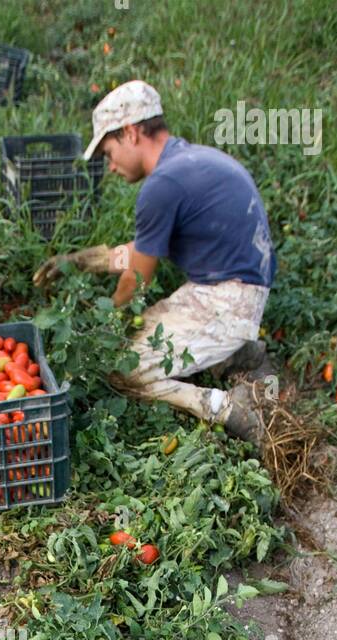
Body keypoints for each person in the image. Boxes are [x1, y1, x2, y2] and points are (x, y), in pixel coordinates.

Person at [34, 81, 276, 443]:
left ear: (130, 133)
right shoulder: (193, 161)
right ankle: (239, 353)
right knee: (143, 339)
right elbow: (145, 250)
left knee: (121, 368)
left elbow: (136, 281)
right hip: (234, 291)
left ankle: (225, 408)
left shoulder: (162, 185)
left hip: (227, 302)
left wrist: (106, 330)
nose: (110, 165)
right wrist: (87, 261)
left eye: (108, 150)